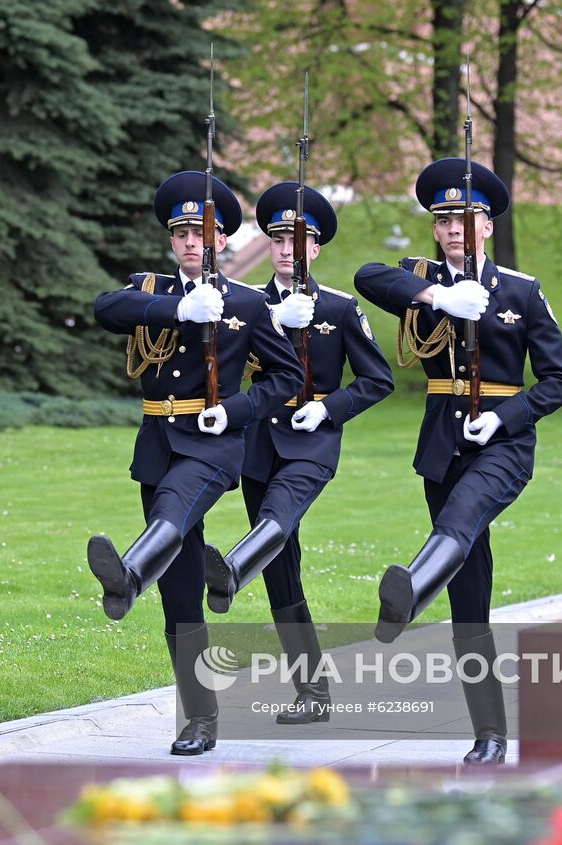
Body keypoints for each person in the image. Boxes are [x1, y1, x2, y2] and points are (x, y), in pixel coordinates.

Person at [353, 158, 562, 764]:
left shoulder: (521, 292)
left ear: (488, 226)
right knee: (471, 596)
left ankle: (412, 590)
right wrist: (438, 295)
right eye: (445, 219)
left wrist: (506, 417)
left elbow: (561, 380)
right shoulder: (420, 280)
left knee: (461, 517)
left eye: (467, 218)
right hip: (441, 447)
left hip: (502, 446)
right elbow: (367, 276)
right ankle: (490, 732)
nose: (455, 228)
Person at [89, 170, 302, 756]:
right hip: (159, 441)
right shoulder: (154, 290)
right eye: (181, 232)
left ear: (221, 241)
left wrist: (235, 410)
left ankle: (129, 574)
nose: (190, 242)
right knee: (181, 596)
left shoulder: (249, 304)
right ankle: (200, 719)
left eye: (201, 233)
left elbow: (286, 377)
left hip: (212, 445)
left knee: (174, 510)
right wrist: (180, 311)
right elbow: (106, 308)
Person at [203, 182, 394, 725]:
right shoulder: (243, 303)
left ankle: (234, 567)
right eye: (278, 239)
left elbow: (378, 380)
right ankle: (312, 691)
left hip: (312, 442)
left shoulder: (339, 307)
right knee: (283, 569)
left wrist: (329, 408)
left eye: (298, 240)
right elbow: (223, 371)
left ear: (316, 248)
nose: (287, 249)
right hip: (261, 442)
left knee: (277, 518)